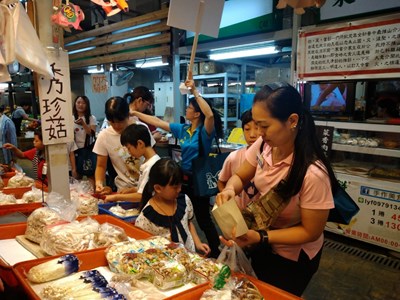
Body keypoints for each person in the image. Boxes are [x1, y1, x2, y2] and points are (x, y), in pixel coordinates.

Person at [215, 85, 337, 296]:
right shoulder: (265, 145)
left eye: (264, 126)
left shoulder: (313, 173)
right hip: (263, 238)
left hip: (292, 256)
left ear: (292, 121)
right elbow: (242, 175)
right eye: (254, 125)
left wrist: (261, 237)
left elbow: (311, 231)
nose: (257, 134)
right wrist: (230, 190)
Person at [131, 79, 224, 258]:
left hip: (198, 181)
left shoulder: (204, 132)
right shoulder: (184, 129)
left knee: (203, 218)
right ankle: (183, 245)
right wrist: (136, 113)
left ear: (197, 113)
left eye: (189, 107)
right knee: (183, 213)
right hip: (183, 179)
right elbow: (158, 122)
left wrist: (195, 91)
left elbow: (210, 116)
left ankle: (215, 252)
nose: (187, 110)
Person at [135, 158, 210, 255]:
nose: (179, 189)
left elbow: (188, 223)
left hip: (189, 254)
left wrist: (198, 243)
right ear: (158, 188)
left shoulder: (184, 200)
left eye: (180, 185)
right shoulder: (146, 218)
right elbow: (145, 248)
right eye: (175, 187)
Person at [93, 96, 155, 194]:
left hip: (145, 185)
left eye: (120, 121)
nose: (117, 126)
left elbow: (151, 156)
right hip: (123, 189)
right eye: (112, 122)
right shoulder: (104, 136)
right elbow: (101, 165)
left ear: (128, 115)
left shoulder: (140, 129)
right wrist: (99, 183)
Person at [104, 124, 160, 202]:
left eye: (129, 148)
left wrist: (116, 197)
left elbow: (141, 196)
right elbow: (145, 188)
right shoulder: (147, 161)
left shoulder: (152, 165)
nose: (128, 152)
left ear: (140, 143)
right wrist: (131, 190)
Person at [217, 109, 260, 210]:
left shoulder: (269, 157)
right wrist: (228, 201)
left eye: (257, 128)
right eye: (247, 129)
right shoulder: (233, 157)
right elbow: (221, 182)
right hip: (239, 213)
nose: (252, 135)